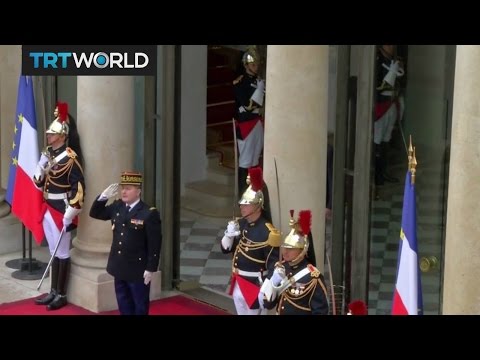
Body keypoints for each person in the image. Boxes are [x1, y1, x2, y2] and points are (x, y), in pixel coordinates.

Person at [33, 102, 85, 311]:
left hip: (62, 210)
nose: (48, 137)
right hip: (48, 206)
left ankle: (61, 294)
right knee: (53, 252)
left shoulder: (70, 159)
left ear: (62, 136)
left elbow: (79, 188)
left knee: (62, 253)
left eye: (52, 134)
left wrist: (71, 213)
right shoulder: (50, 154)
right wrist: (40, 167)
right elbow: (39, 182)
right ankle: (53, 291)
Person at [89, 171, 162, 315]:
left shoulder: (148, 213)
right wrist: (103, 197)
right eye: (123, 188)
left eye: (128, 188)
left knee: (139, 305)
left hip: (137, 269)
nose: (124, 191)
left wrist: (151, 268)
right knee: (123, 303)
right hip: (120, 266)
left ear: (138, 191)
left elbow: (155, 243)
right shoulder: (118, 207)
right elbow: (95, 213)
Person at [220, 166, 281, 315]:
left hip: (255, 286)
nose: (242, 206)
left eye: (246, 204)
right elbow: (225, 250)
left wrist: (266, 288)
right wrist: (229, 235)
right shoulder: (241, 224)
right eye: (242, 203)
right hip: (238, 283)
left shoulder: (268, 232)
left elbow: (273, 264)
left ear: (257, 206)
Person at [261, 210, 330, 315]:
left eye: (291, 248)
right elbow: (267, 304)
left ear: (302, 250)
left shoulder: (313, 277)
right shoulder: (280, 268)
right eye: (285, 247)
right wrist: (273, 283)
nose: (285, 252)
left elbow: (320, 311)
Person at [233, 46, 266, 197]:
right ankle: (242, 196)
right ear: (246, 65)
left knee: (255, 160)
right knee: (245, 161)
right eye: (253, 64)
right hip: (246, 124)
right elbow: (247, 105)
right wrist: (260, 91)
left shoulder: (259, 81)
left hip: (257, 121)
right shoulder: (240, 82)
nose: (256, 67)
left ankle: (255, 193)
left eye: (257, 64)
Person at [374, 45, 405, 186]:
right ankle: (376, 176)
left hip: (391, 103)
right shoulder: (377, 60)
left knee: (386, 139)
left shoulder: (393, 60)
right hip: (381, 105)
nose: (392, 46)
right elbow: (378, 86)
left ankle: (383, 172)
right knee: (377, 141)